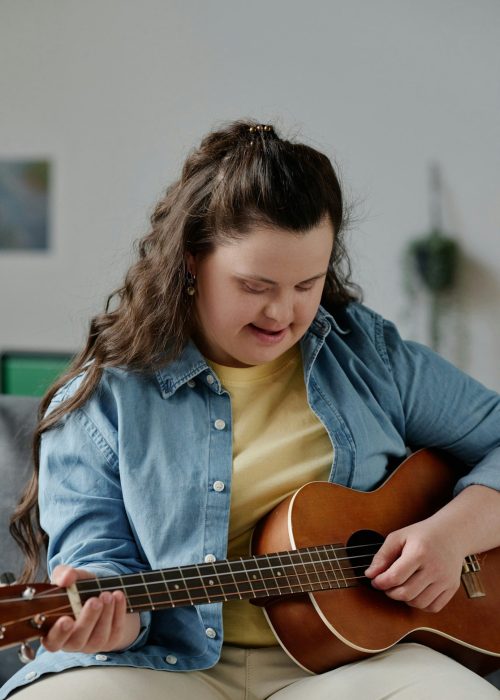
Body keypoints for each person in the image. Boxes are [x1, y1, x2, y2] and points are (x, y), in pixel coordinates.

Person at [2, 120, 500, 699]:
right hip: (166, 666)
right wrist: (104, 614)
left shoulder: (369, 354)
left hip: (351, 669)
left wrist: (448, 536)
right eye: (255, 285)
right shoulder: (100, 402)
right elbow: (100, 562)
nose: (282, 314)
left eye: (306, 284)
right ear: (192, 260)